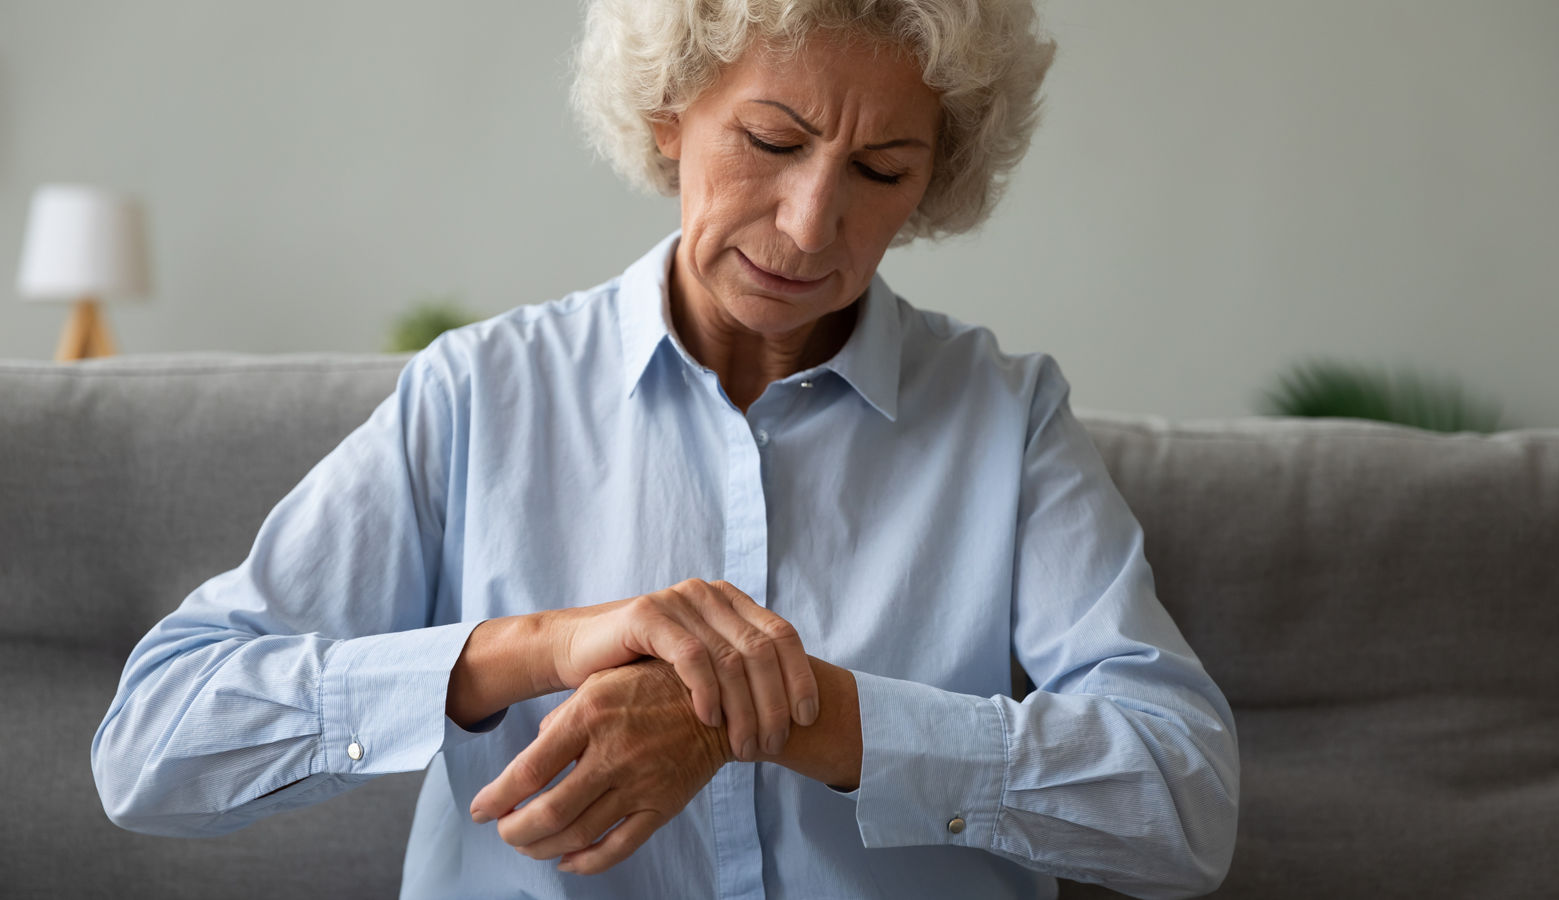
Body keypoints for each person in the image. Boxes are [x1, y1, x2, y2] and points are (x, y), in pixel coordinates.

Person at [93, 1, 1240, 897]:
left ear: (933, 184)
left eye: (881, 171)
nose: (807, 224)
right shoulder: (480, 394)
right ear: (667, 111)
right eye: (770, 140)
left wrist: (776, 717)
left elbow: (1183, 804)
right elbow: (154, 746)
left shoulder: (1005, 418)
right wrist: (537, 649)